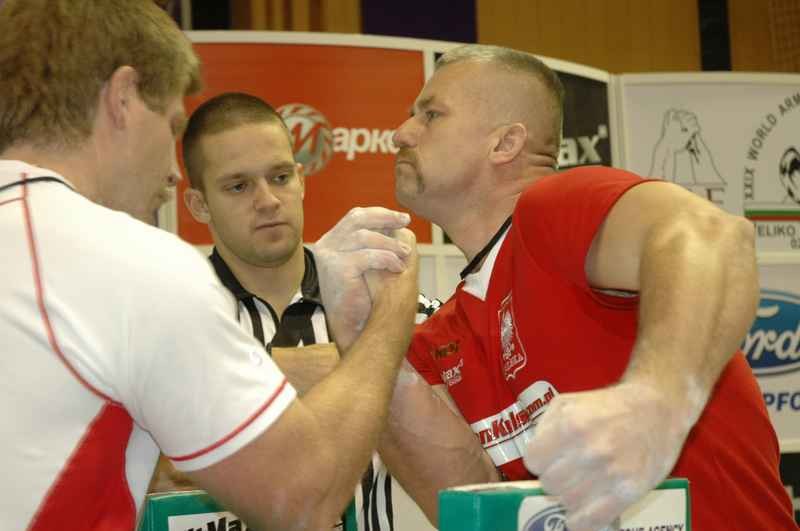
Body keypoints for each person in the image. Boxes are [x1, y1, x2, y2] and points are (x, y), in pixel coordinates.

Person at [0, 2, 420, 530]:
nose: (171, 171)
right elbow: (299, 497)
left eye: (281, 177)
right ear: (123, 98)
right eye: (172, 124)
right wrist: (389, 318)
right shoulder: (129, 263)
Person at [378, 44, 798, 531]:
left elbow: (717, 237)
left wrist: (655, 401)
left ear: (505, 144)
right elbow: (475, 512)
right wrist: (356, 327)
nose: (400, 133)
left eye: (431, 115)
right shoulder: (444, 335)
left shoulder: (550, 210)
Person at [149, 90, 409, 530]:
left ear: (302, 179)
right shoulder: (166, 319)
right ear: (198, 205)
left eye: (281, 177)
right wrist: (292, 375)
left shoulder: (381, 303)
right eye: (238, 186)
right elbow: (148, 465)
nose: (267, 200)